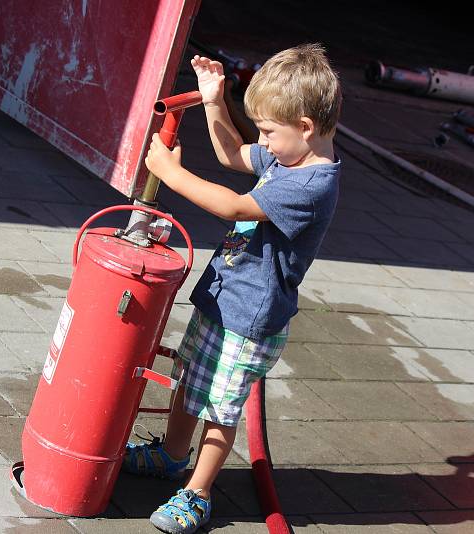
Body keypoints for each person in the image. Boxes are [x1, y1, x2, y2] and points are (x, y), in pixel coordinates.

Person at [123, 43, 342, 534]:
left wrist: (171, 173)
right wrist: (214, 100)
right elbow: (229, 153)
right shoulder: (289, 158)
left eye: (268, 131)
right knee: (189, 379)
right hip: (223, 295)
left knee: (220, 407)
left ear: (305, 127)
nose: (261, 140)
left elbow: (235, 208)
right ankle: (172, 454)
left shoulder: (311, 183)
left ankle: (197, 493)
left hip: (251, 318)